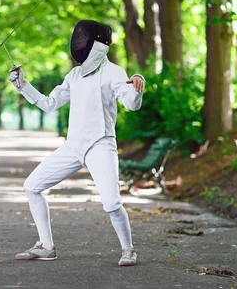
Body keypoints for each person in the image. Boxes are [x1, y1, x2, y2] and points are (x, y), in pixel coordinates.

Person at [8, 20, 145, 266]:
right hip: (73, 147)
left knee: (112, 203)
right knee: (32, 186)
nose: (80, 43)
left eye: (85, 39)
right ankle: (46, 246)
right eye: (79, 39)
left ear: (99, 43)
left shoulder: (114, 72)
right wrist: (23, 85)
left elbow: (132, 104)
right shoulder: (74, 75)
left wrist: (137, 85)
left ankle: (128, 250)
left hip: (100, 145)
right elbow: (49, 104)